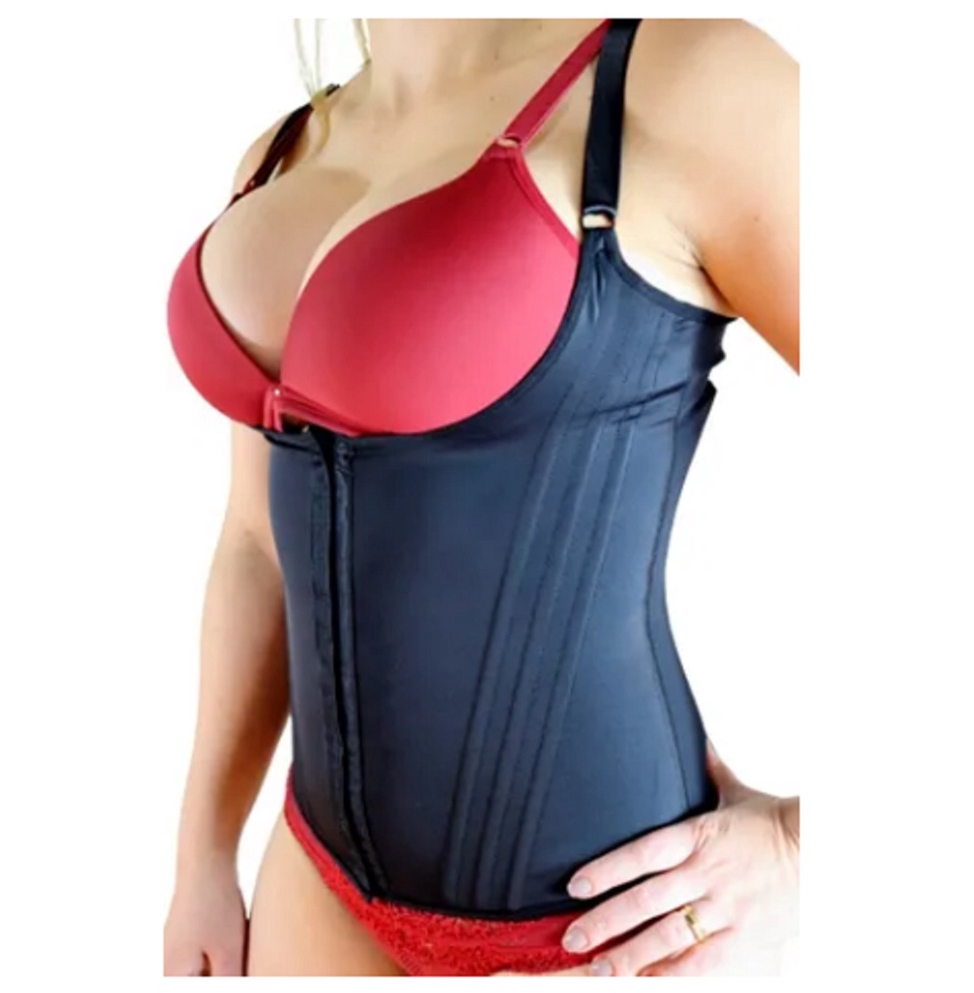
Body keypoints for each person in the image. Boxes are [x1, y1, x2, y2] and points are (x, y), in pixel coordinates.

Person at [163, 17, 799, 978]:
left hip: (598, 928)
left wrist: (799, 848)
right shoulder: (281, 151)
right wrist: (203, 855)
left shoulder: (684, 83)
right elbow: (257, 541)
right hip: (316, 880)